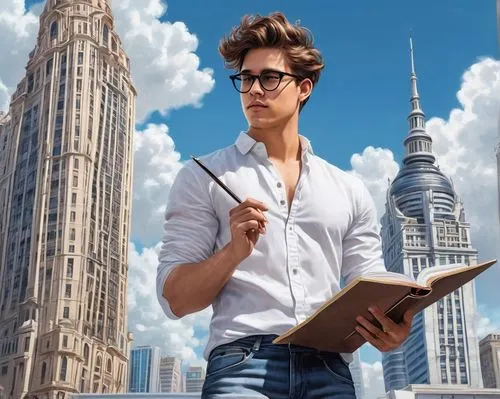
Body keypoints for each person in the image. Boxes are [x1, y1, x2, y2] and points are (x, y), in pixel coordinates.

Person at [156, 12, 414, 398]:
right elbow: (175, 300)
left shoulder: (348, 189)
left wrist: (392, 325)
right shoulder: (203, 176)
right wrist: (233, 252)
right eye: (246, 78)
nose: (255, 90)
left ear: (304, 88)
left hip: (331, 369)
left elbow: (370, 281)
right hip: (240, 367)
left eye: (270, 78)